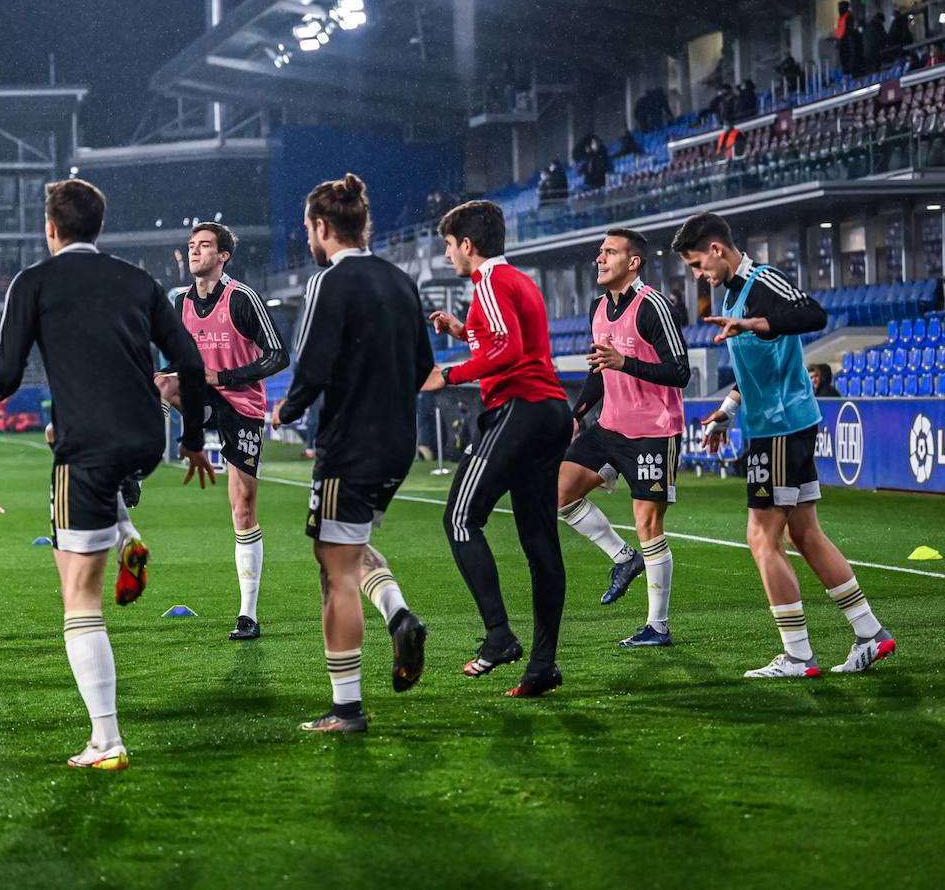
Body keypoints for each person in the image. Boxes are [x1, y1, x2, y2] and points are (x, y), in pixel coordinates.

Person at [0, 177, 212, 771]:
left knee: (78, 597)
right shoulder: (137, 281)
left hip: (85, 444)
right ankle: (129, 534)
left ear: (51, 229)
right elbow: (188, 360)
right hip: (145, 436)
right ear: (99, 228)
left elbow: (7, 374)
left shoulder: (33, 281)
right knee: (100, 477)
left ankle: (106, 739)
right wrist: (190, 441)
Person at [673, 211, 894, 678]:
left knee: (760, 537)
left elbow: (813, 314)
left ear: (716, 250)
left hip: (779, 428)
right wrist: (728, 412)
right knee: (804, 533)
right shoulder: (730, 293)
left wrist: (758, 323)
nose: (697, 276)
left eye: (696, 265)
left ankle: (797, 655)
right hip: (780, 423)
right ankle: (870, 633)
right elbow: (755, 368)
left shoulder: (762, 281)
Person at [272, 172, 431, 733]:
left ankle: (346, 710)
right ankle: (398, 614)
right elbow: (421, 369)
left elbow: (310, 367)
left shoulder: (326, 284)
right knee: (350, 547)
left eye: (308, 231)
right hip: (397, 445)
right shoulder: (402, 280)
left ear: (321, 227)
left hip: (350, 447)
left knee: (333, 572)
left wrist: (285, 412)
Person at [421, 200, 572, 697]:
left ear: (468, 245)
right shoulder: (520, 281)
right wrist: (462, 331)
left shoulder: (487, 281)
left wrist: (450, 373)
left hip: (520, 408)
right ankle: (541, 667)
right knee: (539, 543)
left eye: (448, 245)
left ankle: (499, 636)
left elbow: (506, 352)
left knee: (460, 518)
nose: (446, 255)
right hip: (551, 411)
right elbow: (512, 341)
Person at [155, 222, 289, 641]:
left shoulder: (242, 298)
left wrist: (226, 375)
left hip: (242, 405)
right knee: (159, 382)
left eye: (204, 246)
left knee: (243, 507)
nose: (194, 252)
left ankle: (247, 614)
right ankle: (134, 471)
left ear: (223, 256)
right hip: (204, 396)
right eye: (191, 246)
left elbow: (278, 355)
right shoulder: (180, 304)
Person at [558, 229, 690, 647]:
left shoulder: (653, 305)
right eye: (599, 251)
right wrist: (577, 414)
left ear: (633, 262)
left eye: (610, 252)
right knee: (558, 493)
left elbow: (680, 371)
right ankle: (623, 558)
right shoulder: (598, 307)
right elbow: (600, 370)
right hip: (610, 426)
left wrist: (625, 361)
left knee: (647, 524)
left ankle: (658, 627)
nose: (600, 258)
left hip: (654, 431)